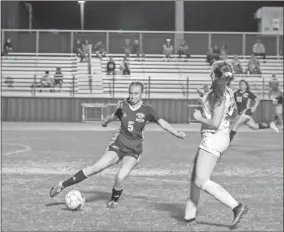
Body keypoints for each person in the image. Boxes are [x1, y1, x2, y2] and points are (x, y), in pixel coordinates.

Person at [50, 82, 186, 208]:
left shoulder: (147, 110)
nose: (133, 96)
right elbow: (114, 116)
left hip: (134, 151)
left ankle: (113, 200)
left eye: (136, 93)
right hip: (118, 145)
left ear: (142, 94)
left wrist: (176, 133)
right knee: (95, 168)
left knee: (120, 177)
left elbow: (163, 123)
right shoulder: (124, 105)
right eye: (131, 93)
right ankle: (62, 185)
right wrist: (106, 122)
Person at [184, 61, 248, 228]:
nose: (209, 73)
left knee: (201, 180)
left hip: (214, 137)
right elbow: (214, 105)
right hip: (217, 137)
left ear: (217, 75)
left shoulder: (218, 95)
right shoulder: (223, 91)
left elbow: (215, 122)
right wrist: (203, 96)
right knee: (193, 176)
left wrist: (198, 118)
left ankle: (236, 206)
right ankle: (189, 217)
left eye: (212, 71)